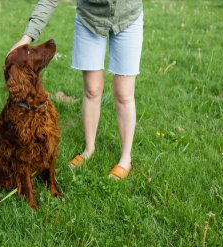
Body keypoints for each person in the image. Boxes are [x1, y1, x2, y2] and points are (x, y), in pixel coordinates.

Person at [9, 0, 143, 180]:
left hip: (127, 17)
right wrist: (27, 37)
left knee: (124, 94)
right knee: (92, 90)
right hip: (90, 20)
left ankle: (125, 159)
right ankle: (89, 149)